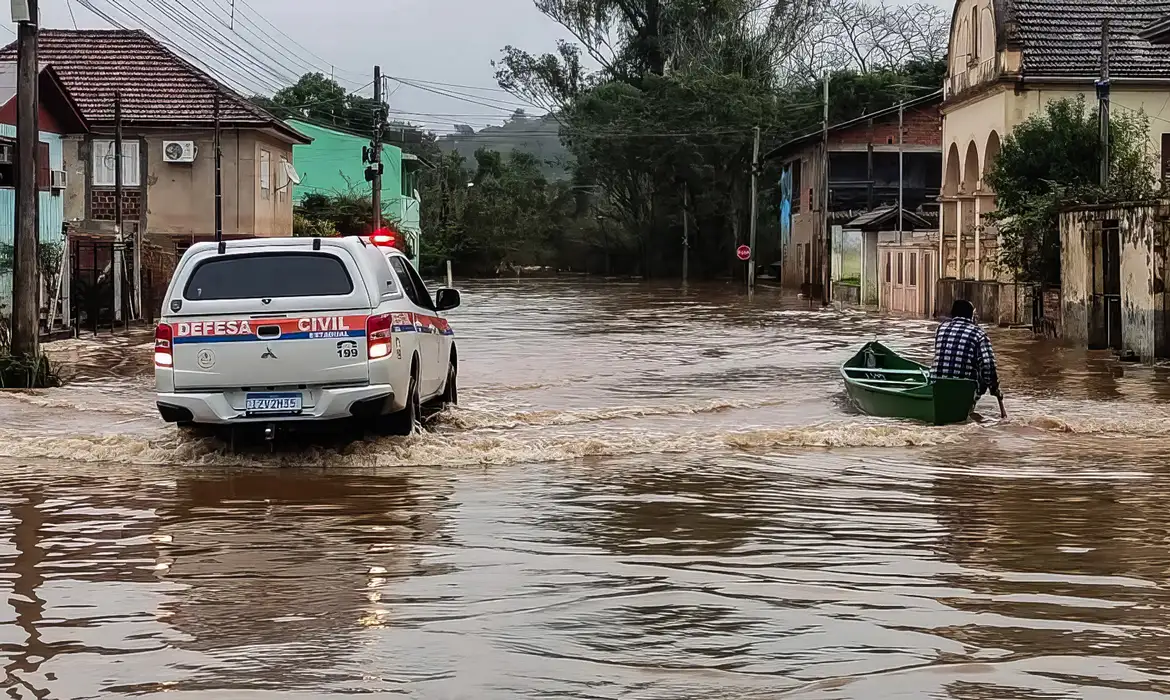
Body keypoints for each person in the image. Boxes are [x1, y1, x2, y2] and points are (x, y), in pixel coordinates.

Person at [931, 299, 1001, 399]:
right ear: (971, 315)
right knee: (982, 373)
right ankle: (971, 403)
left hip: (936, 383)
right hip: (964, 387)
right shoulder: (979, 333)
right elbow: (988, 365)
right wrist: (994, 387)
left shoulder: (940, 328)